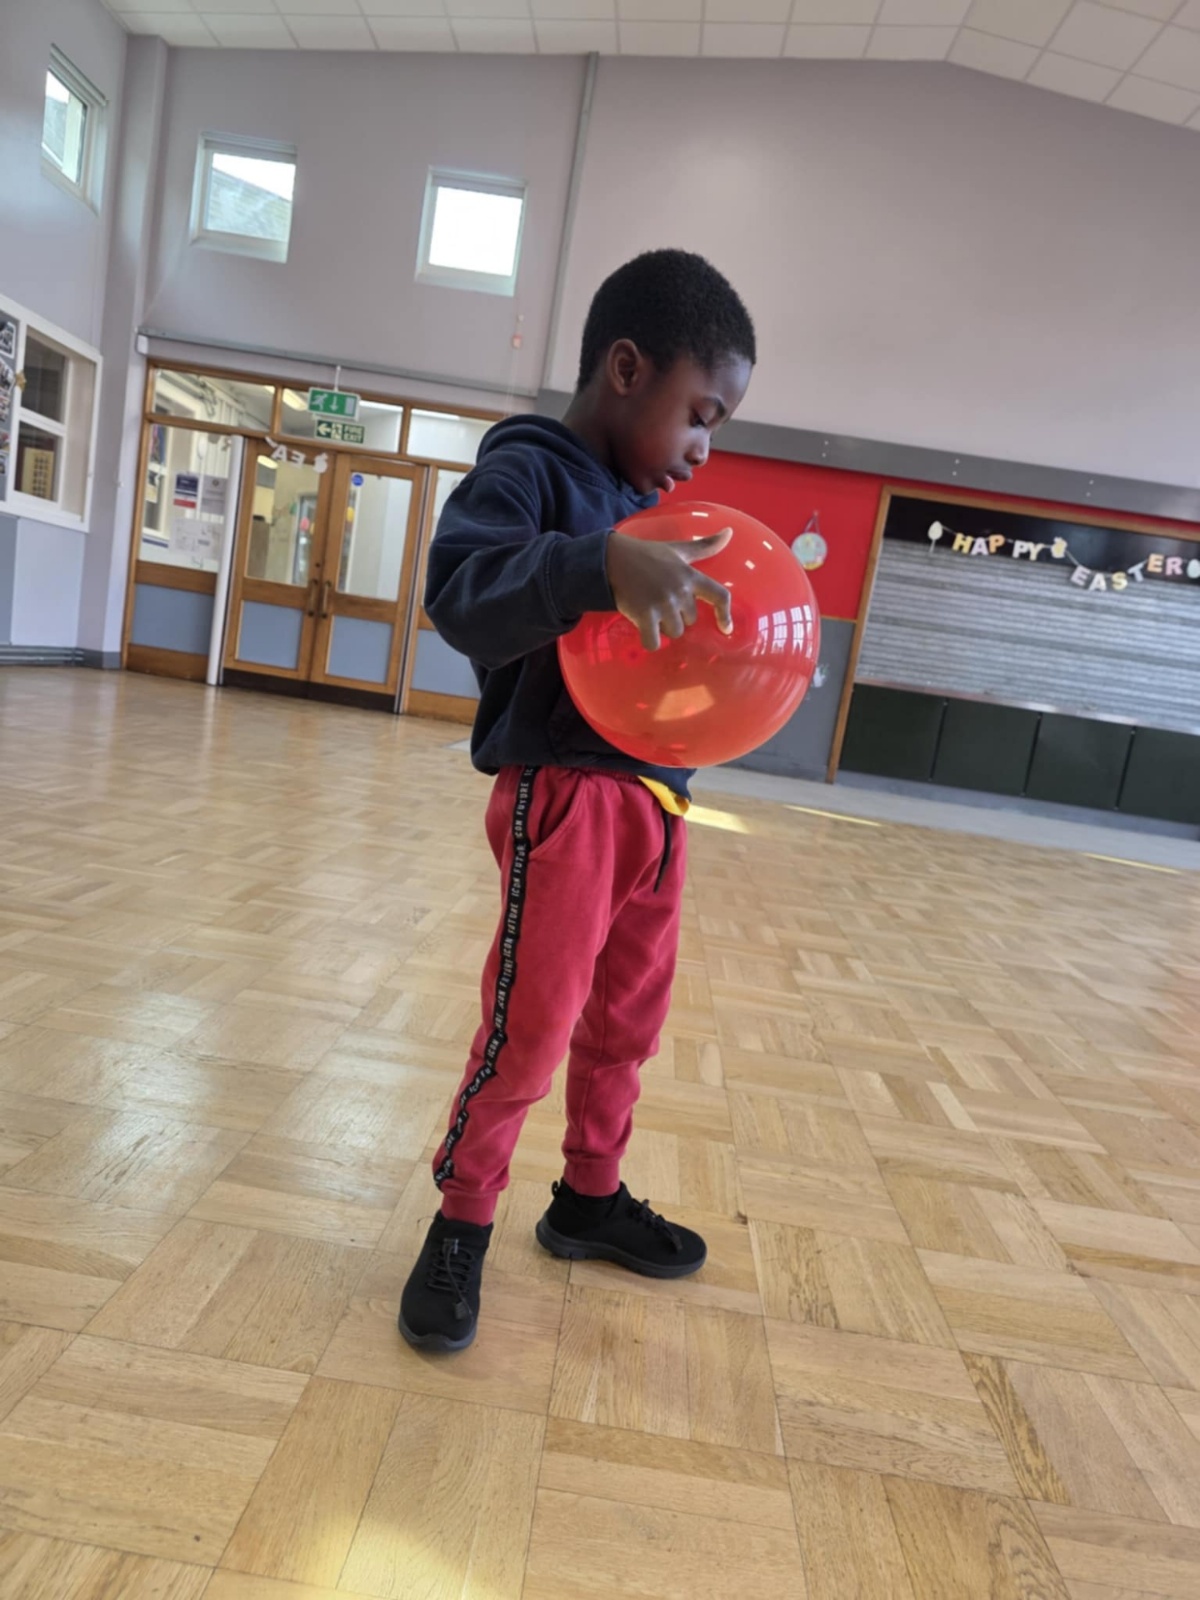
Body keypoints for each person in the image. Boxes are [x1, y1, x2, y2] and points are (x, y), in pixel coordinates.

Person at [399, 249, 756, 1351]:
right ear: (627, 368)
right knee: (532, 1028)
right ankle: (462, 1220)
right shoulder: (528, 473)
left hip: (659, 806)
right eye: (700, 415)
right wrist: (598, 565)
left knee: (625, 1023)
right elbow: (461, 593)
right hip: (566, 799)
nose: (704, 449)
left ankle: (587, 1198)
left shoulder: (650, 514)